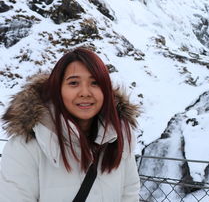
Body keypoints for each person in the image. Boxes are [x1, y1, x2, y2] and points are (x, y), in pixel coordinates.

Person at [0, 47, 140, 202]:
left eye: (95, 83)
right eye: (73, 83)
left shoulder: (119, 138)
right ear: (57, 89)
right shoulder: (27, 146)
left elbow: (129, 193)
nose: (85, 92)